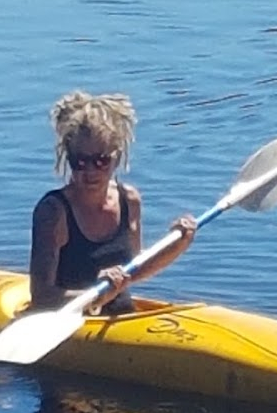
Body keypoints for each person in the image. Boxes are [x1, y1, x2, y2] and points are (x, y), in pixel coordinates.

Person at [29, 90, 196, 315]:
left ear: (116, 157)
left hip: (122, 318)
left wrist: (178, 245)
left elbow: (135, 270)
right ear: (68, 158)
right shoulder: (53, 211)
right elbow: (42, 297)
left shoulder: (129, 200)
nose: (90, 171)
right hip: (71, 322)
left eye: (100, 161)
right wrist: (95, 296)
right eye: (80, 161)